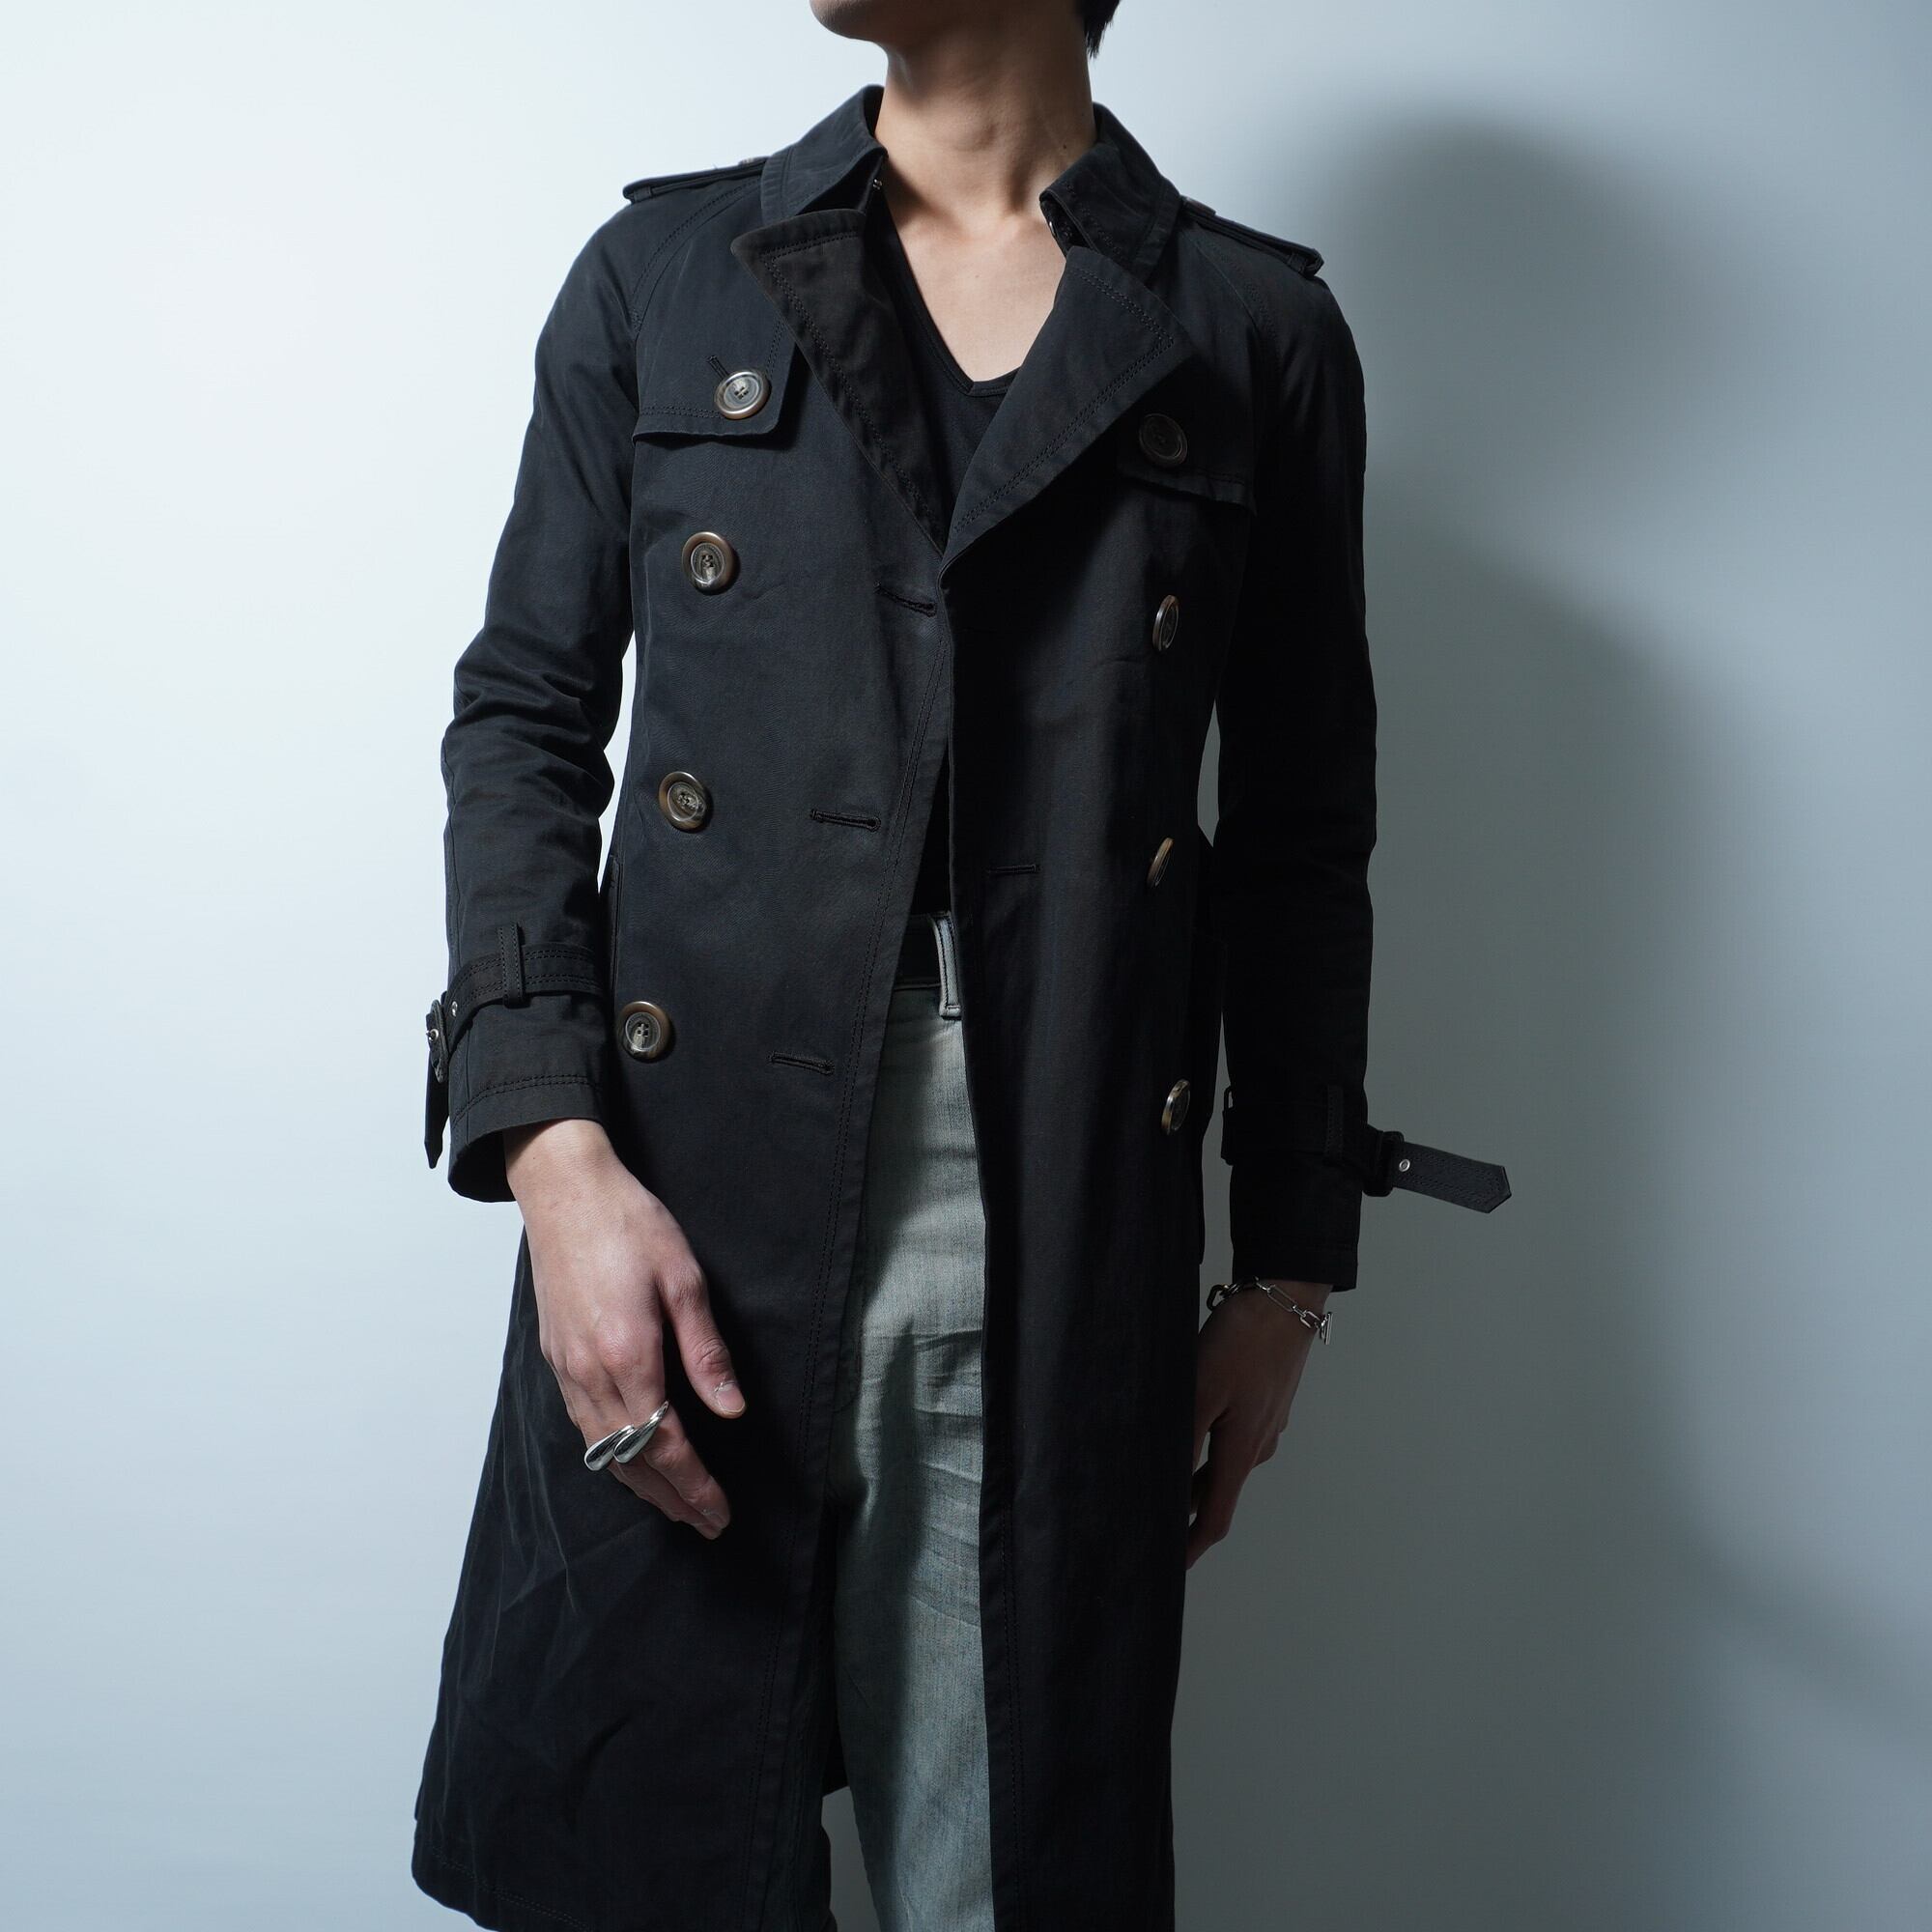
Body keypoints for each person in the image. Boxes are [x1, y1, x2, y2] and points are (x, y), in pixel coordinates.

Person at [412, 4, 1509, 1929]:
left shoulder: (1252, 331)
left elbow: (1298, 835)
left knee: (998, 1870)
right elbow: (523, 723)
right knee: (652, 1853)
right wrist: (555, 1160)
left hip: (1055, 1193)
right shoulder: (667, 274)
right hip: (679, 1177)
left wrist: (1287, 1269)